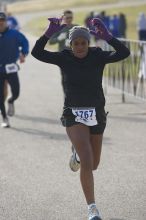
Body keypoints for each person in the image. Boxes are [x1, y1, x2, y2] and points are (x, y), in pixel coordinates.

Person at [31, 17, 130, 220]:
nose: (79, 47)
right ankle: (92, 208)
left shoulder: (98, 56)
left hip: (97, 113)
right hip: (73, 114)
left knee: (93, 164)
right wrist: (48, 33)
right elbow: (37, 53)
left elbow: (124, 52)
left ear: (88, 43)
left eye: (83, 42)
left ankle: (76, 152)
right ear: (70, 44)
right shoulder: (64, 57)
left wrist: (109, 37)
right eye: (75, 43)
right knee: (87, 159)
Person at [0, 12, 29, 128]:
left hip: (11, 68)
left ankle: (11, 101)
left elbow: (25, 43)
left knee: (16, 92)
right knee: (0, 96)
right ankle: (4, 118)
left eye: (2, 20)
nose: (0, 22)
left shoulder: (14, 33)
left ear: (6, 21)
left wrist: (23, 53)